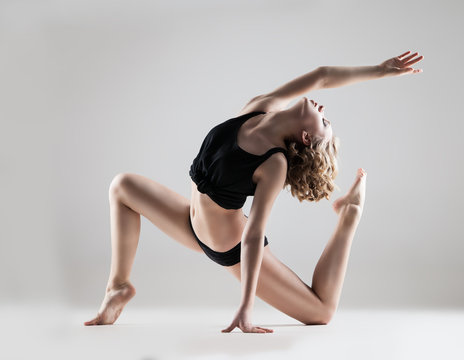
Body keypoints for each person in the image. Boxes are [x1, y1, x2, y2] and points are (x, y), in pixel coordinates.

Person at [84, 50, 424, 333]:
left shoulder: (273, 164)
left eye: (324, 122)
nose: (322, 110)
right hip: (191, 223)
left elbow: (253, 234)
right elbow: (322, 75)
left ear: (305, 138)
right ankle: (118, 286)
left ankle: (348, 216)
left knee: (320, 312)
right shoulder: (260, 106)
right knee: (122, 186)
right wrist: (380, 70)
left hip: (230, 246)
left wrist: (246, 307)